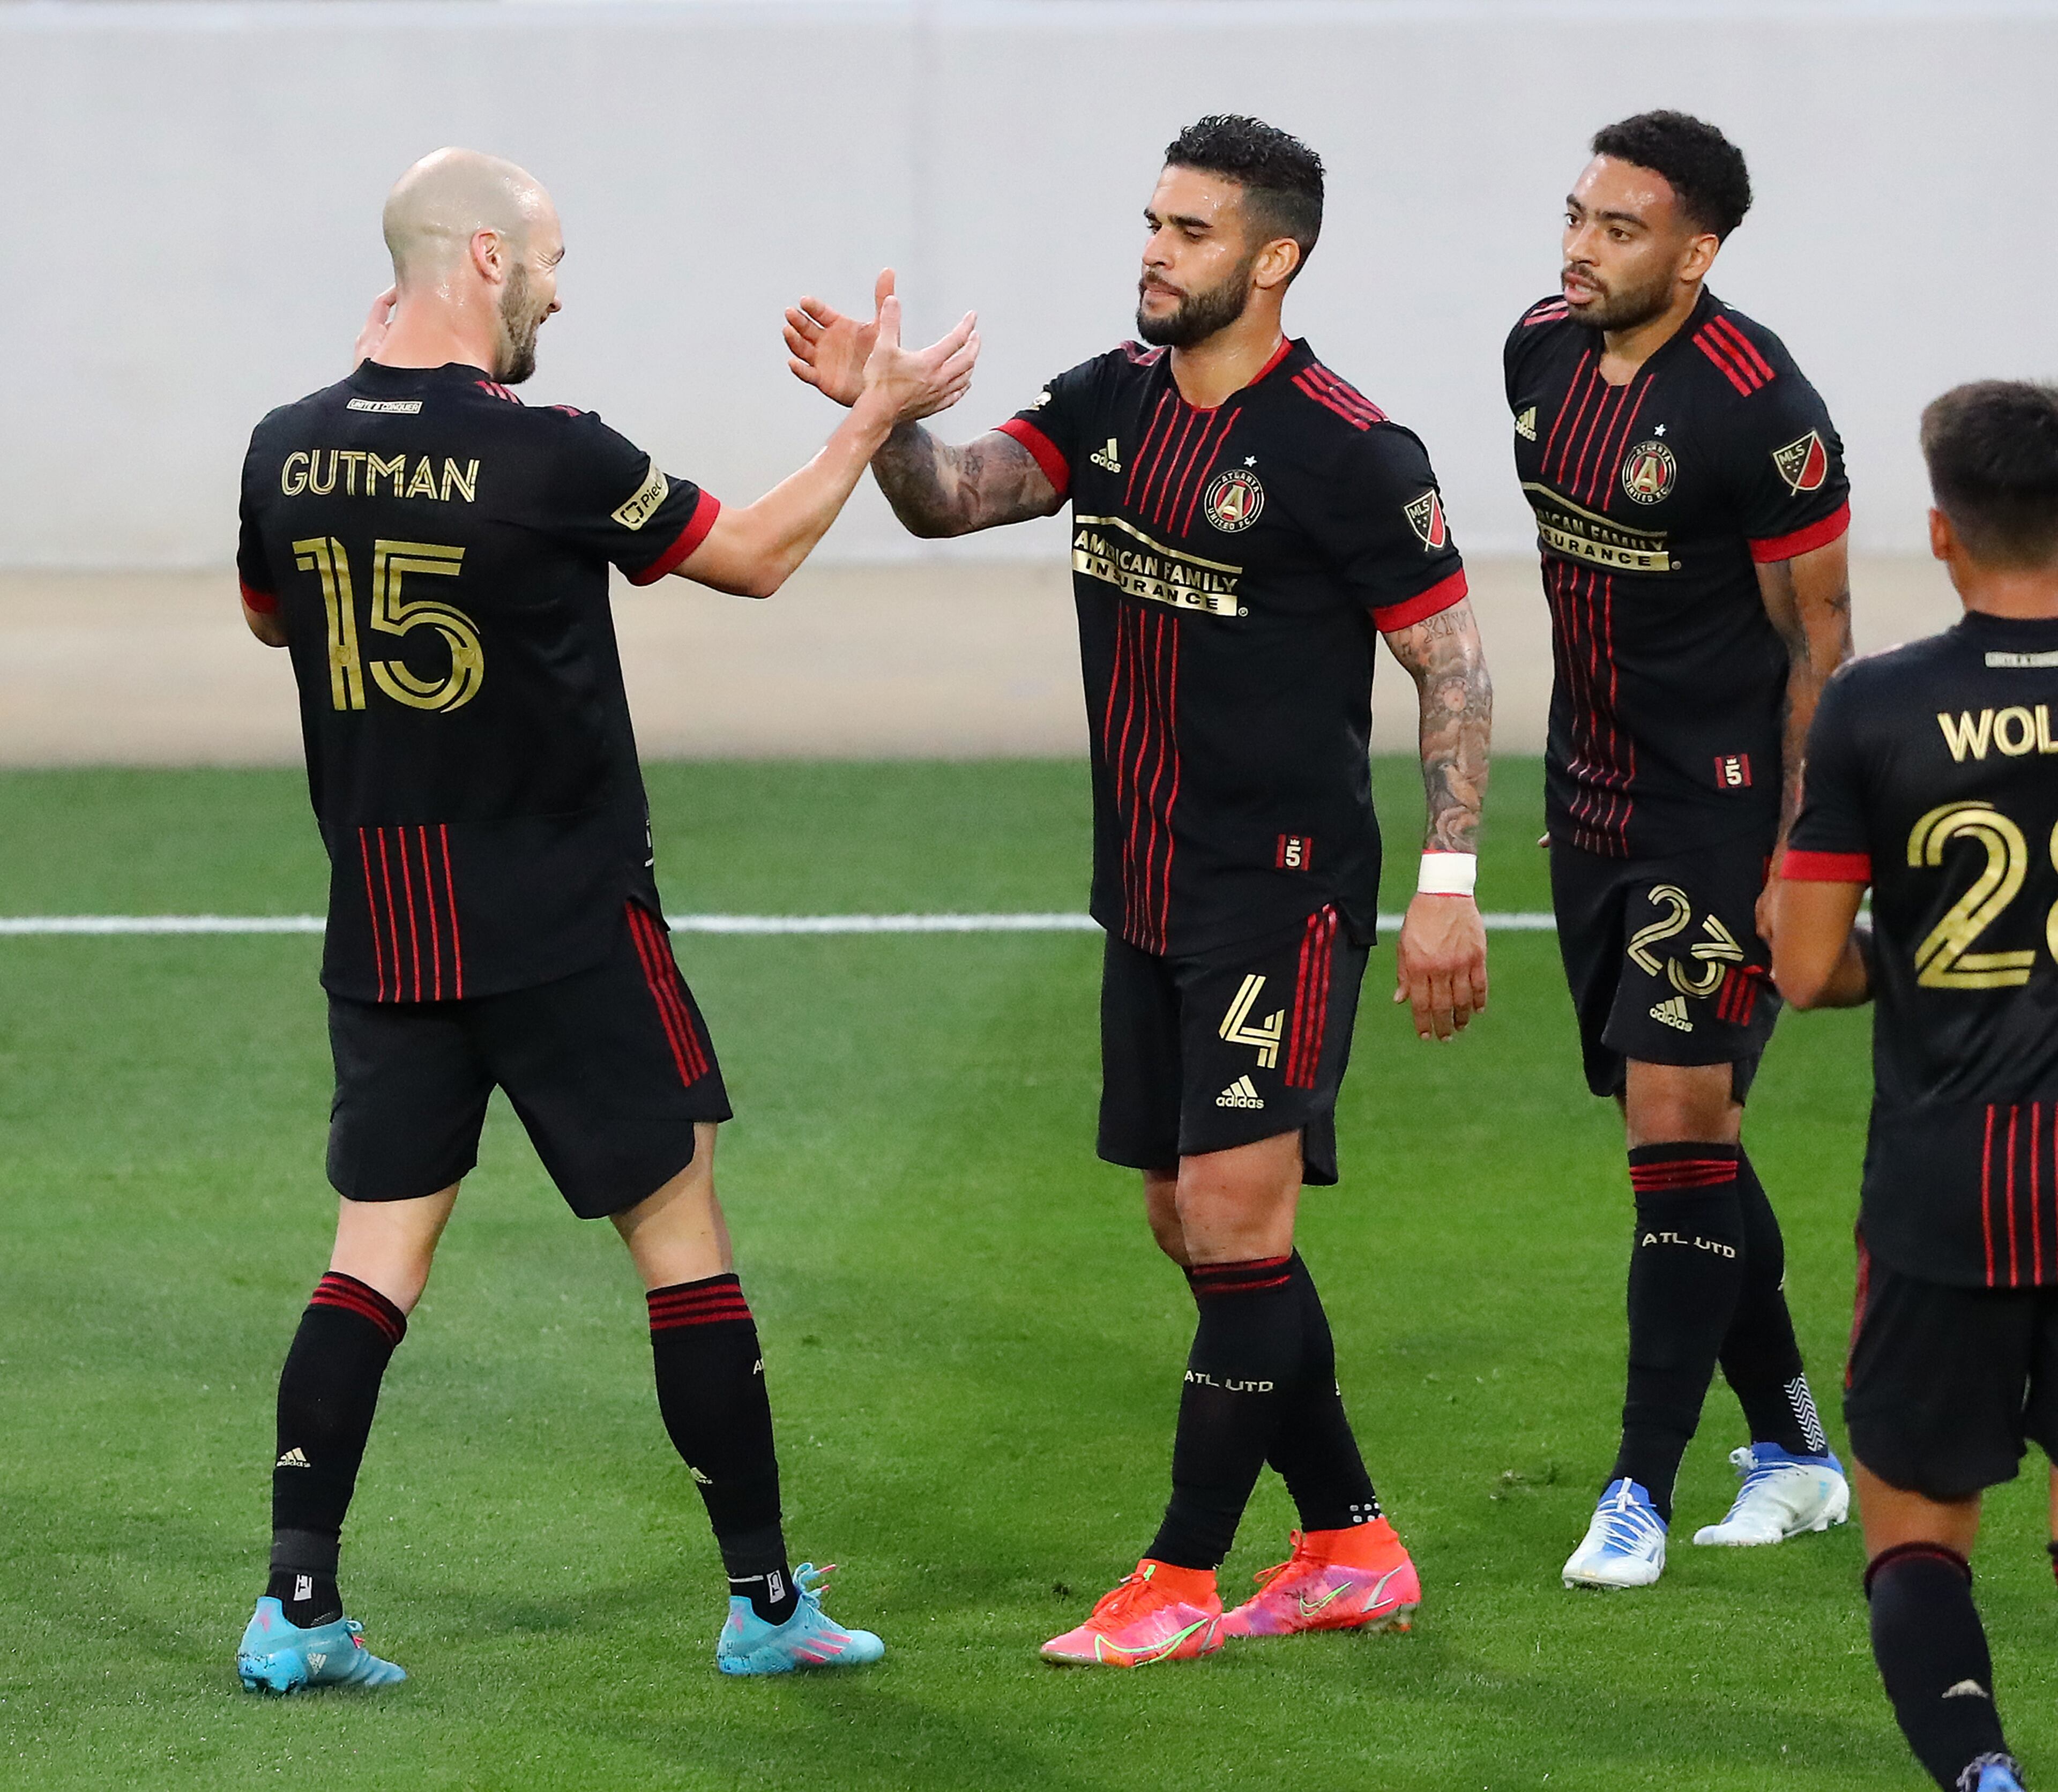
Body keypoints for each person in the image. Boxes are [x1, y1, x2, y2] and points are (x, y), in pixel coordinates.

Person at [230, 146, 976, 1691]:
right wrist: (873, 421)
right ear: (487, 260)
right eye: (553, 260)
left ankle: (296, 1609)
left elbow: (267, 616)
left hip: (386, 928)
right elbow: (755, 559)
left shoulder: (281, 448)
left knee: (371, 1261)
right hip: (565, 922)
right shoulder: (551, 450)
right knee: (680, 1239)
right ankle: (768, 1603)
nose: (562, 291)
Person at [785, 115, 1492, 1666]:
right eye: (1154, 224)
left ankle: (1178, 1580)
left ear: (1274, 255)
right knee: (1188, 1222)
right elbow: (953, 497)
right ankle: (1352, 1542)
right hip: (1150, 886)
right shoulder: (1110, 398)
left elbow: (1451, 663)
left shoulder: (1350, 452)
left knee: (1239, 1223)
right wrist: (884, 414)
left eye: (1189, 230)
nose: (1155, 251)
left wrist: (1450, 880)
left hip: (1284, 893)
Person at [1504, 110, 1854, 1588]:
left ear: (1697, 253)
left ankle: (1635, 1494)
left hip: (1716, 813)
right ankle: (1789, 1446)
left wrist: (1797, 856)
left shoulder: (1760, 409)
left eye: (1620, 228)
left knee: (1672, 1117)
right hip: (1588, 796)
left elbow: (1820, 641)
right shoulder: (1536, 348)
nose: (1581, 248)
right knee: (1684, 1143)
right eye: (1578, 216)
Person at [1775, 380, 2058, 1792]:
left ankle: (1981, 1775)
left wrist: (1934, 960)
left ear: (1943, 534)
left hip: (1952, 1180)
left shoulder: (1880, 706)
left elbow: (1810, 965)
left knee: (1914, 1530)